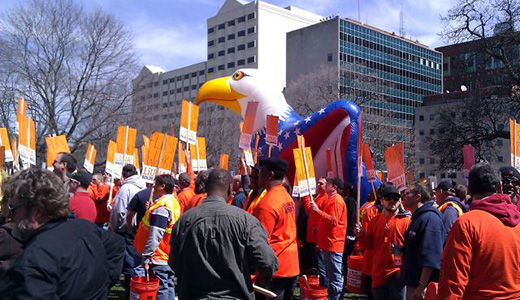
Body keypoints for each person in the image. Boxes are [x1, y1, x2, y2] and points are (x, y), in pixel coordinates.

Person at [0, 168, 125, 299]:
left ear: (36, 212)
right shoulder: (85, 228)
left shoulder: (32, 262)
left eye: (13, 210)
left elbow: (117, 245)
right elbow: (117, 244)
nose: (8, 215)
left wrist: (103, 282)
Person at [170, 168, 278, 299]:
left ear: (206, 188)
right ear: (229, 189)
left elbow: (174, 264)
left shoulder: (184, 221)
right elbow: (268, 262)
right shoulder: (246, 221)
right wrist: (255, 278)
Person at [438, 163, 520, 299]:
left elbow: (452, 282)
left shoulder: (467, 224)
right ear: (500, 186)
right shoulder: (517, 221)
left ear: (469, 190)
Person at [251, 158, 299, 300]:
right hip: (291, 265)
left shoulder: (267, 203)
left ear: (270, 174)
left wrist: (253, 274)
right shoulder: (286, 197)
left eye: (261, 172)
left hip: (275, 268)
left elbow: (261, 243)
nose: (258, 175)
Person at [355, 184, 411, 300]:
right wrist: (361, 236)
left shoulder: (406, 221)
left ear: (400, 201)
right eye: (388, 198)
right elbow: (369, 246)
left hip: (397, 274)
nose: (392, 201)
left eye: (395, 198)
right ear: (382, 201)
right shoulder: (375, 221)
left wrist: (402, 271)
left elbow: (411, 250)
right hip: (378, 274)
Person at [134, 174, 180, 300]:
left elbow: (156, 234)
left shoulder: (162, 207)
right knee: (167, 286)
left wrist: (147, 256)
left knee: (161, 288)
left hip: (158, 255)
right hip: (165, 254)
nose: (153, 187)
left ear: (162, 186)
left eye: (155, 185)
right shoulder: (171, 202)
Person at [402, 181, 445, 300]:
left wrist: (422, 286)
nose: (403, 196)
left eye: (407, 193)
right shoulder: (418, 217)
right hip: (413, 283)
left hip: (423, 287)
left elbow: (431, 257)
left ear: (418, 196)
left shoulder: (430, 219)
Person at [109, 164, 146, 297]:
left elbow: (119, 211)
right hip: (138, 228)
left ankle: (131, 291)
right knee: (136, 261)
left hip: (126, 230)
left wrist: (115, 226)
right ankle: (135, 290)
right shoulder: (143, 186)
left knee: (129, 262)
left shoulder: (125, 189)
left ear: (123, 175)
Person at [307, 177, 347, 300]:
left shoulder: (336, 201)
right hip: (329, 243)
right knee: (331, 276)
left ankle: (336, 297)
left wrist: (317, 211)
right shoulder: (332, 199)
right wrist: (318, 227)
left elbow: (333, 221)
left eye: (327, 184)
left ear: (334, 187)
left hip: (333, 243)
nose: (325, 186)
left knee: (335, 277)